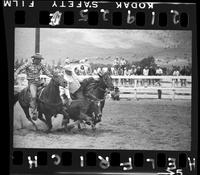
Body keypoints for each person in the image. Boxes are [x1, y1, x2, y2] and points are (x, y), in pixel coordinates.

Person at [14, 53, 53, 120]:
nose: (39, 61)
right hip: (32, 83)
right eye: (38, 59)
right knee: (34, 96)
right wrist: (15, 74)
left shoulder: (41, 65)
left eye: (40, 59)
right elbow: (20, 69)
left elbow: (47, 72)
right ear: (34, 59)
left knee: (50, 89)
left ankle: (51, 107)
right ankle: (34, 112)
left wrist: (53, 77)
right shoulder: (28, 64)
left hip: (40, 81)